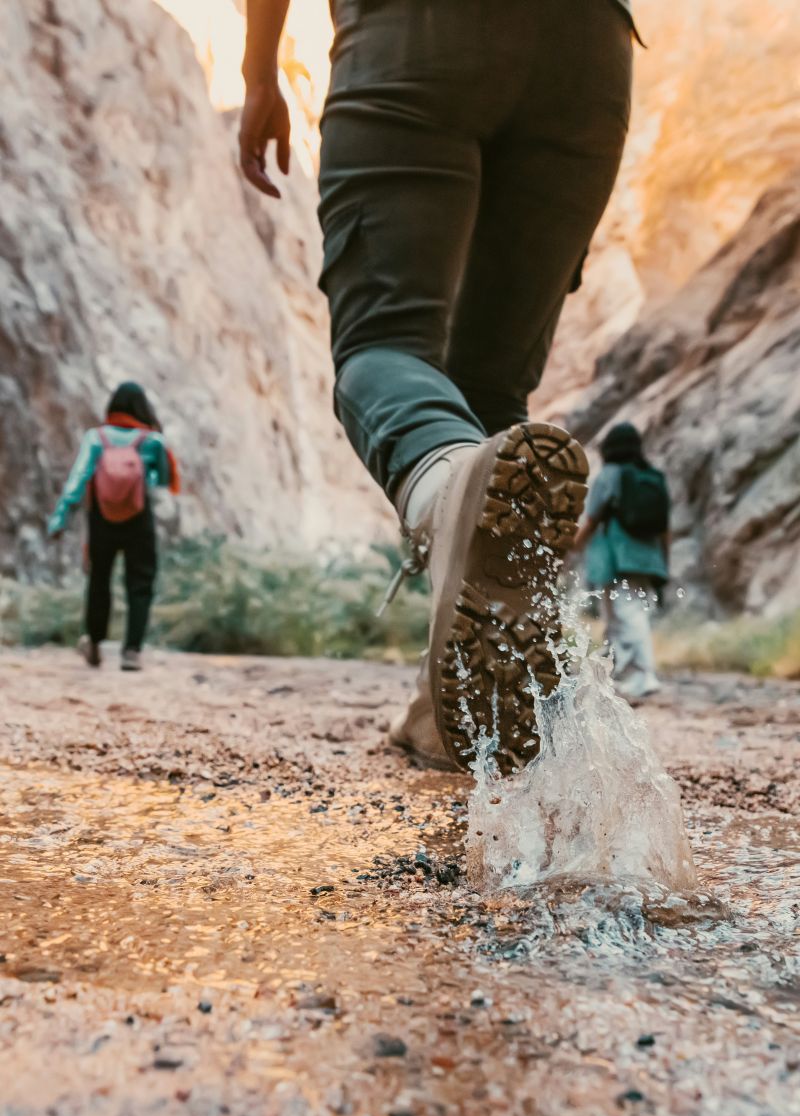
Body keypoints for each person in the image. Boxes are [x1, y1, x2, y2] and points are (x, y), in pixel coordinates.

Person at [239, 0, 639, 773]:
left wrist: (260, 72)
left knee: (380, 348)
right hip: (590, 55)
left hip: (412, 40)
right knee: (489, 404)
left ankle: (445, 493)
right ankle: (451, 707)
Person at [48, 383, 179, 672]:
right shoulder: (152, 440)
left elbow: (78, 478)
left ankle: (94, 644)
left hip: (102, 518)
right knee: (140, 583)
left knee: (99, 580)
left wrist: (60, 518)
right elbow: (162, 480)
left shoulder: (96, 437)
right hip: (138, 518)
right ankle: (131, 651)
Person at [573, 422, 670, 700]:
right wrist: (664, 560)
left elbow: (590, 521)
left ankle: (644, 676)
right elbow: (665, 528)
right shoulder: (652, 477)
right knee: (624, 616)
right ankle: (626, 675)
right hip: (647, 557)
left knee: (627, 616)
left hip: (615, 558)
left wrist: (568, 550)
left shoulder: (610, 476)